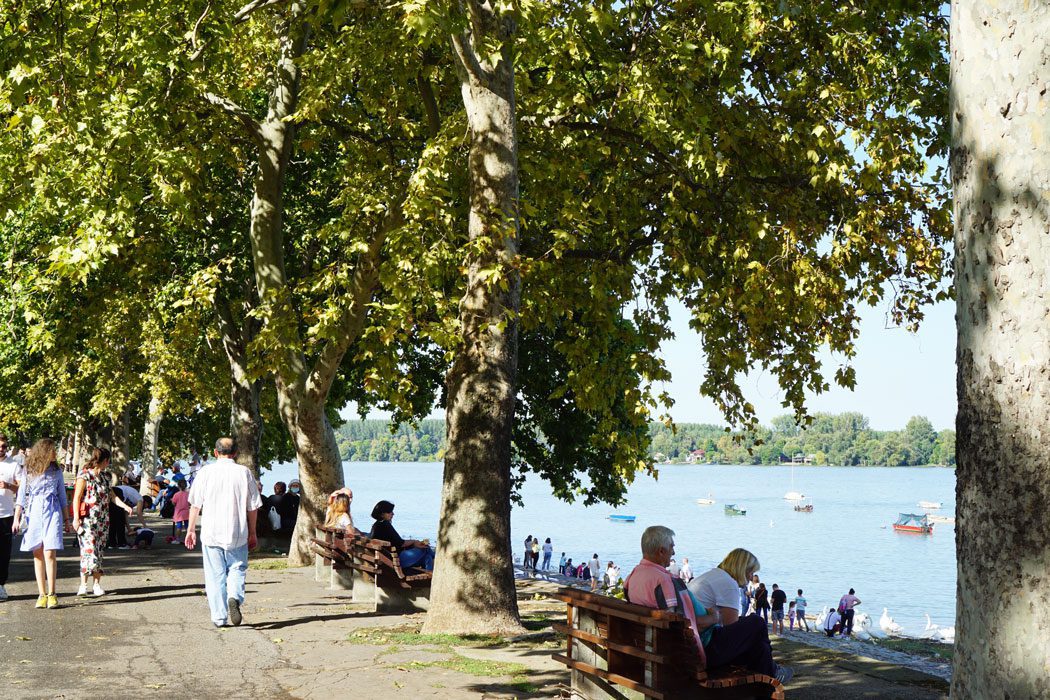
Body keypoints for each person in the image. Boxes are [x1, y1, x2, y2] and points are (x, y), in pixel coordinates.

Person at [184, 437, 262, 628]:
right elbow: (253, 506)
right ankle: (234, 596)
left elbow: (195, 504)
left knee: (214, 575)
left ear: (215, 452)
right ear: (235, 453)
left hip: (212, 531)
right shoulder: (244, 473)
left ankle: (219, 617)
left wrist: (191, 529)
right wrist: (253, 532)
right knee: (237, 568)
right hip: (238, 531)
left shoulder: (205, 472)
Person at [687, 547, 793, 684]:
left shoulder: (711, 576)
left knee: (758, 643)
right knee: (757, 622)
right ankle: (772, 672)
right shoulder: (727, 583)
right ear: (741, 568)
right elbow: (732, 627)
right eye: (751, 572)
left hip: (693, 644)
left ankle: (771, 672)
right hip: (706, 649)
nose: (751, 577)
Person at [624, 526, 715, 666]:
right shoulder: (663, 580)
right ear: (661, 551)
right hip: (681, 655)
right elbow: (676, 625)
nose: (674, 552)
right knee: (754, 625)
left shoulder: (633, 576)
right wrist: (714, 618)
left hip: (647, 645)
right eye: (671, 547)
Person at [13, 439, 69, 609]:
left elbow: (62, 496)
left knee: (50, 552)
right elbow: (21, 497)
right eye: (53, 450)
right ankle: (41, 594)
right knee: (37, 553)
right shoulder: (28, 471)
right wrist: (16, 518)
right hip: (34, 512)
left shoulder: (56, 471)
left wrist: (67, 520)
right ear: (45, 452)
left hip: (53, 511)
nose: (56, 454)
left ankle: (52, 594)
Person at [73, 448, 125, 597]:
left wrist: (125, 506)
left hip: (102, 520)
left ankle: (96, 584)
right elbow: (77, 498)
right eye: (108, 461)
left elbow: (112, 496)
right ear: (105, 460)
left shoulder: (105, 477)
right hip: (87, 520)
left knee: (99, 552)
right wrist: (76, 518)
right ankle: (83, 584)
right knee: (89, 551)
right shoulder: (84, 475)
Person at [369, 500, 435, 571]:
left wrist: (414, 543)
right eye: (390, 512)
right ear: (382, 514)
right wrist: (414, 542)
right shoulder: (385, 525)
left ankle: (429, 579)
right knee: (426, 548)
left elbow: (396, 542)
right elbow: (401, 543)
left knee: (427, 557)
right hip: (396, 561)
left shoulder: (376, 526)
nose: (393, 514)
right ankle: (439, 559)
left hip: (386, 560)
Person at [0, 435, 22, 601]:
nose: (1, 448)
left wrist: (8, 485)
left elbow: (21, 489)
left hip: (5, 515)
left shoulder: (13, 465)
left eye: (4, 446)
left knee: (3, 554)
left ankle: (1, 586)